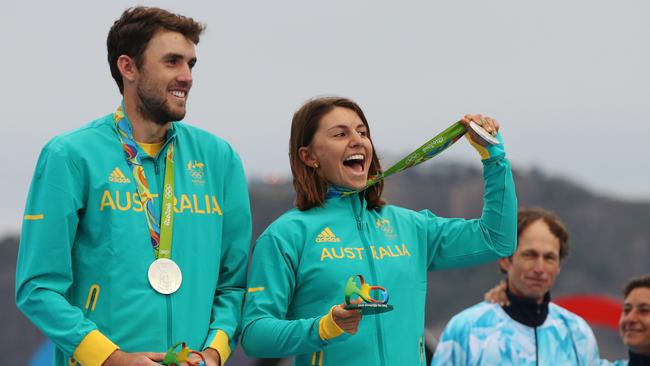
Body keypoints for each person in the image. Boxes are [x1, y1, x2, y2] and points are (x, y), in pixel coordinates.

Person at [15, 7, 251, 366]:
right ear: (128, 68)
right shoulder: (70, 155)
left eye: (191, 64)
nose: (186, 76)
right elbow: (37, 288)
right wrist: (111, 358)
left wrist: (215, 353)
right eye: (172, 61)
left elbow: (232, 285)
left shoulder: (220, 159)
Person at [240, 96, 517, 365]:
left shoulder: (410, 227)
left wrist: (493, 158)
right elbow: (255, 335)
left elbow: (496, 239)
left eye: (362, 132)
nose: (357, 140)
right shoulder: (286, 235)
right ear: (309, 156)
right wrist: (325, 327)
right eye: (340, 134)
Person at [432, 207, 600, 365]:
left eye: (549, 258)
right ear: (505, 260)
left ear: (558, 267)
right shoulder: (466, 329)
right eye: (529, 255)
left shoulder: (577, 333)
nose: (539, 269)